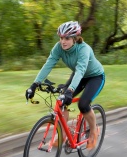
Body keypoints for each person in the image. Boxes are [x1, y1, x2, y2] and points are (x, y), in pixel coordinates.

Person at [25, 21, 105, 149]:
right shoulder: (58, 48)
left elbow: (80, 70)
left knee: (83, 104)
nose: (63, 41)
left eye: (67, 38)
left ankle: (93, 131)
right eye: (61, 38)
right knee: (62, 101)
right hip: (78, 76)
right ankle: (63, 134)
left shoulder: (84, 49)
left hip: (95, 77)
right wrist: (34, 85)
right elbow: (48, 65)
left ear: (75, 38)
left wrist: (70, 89)